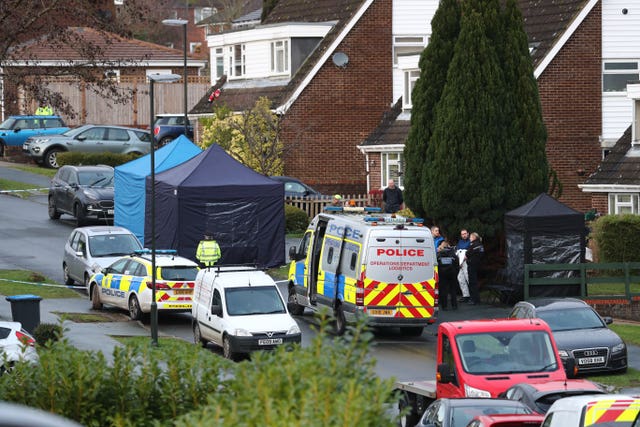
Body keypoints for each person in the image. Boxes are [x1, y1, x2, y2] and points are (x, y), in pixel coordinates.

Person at [437, 240, 459, 311]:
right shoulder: (453, 254)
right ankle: (454, 305)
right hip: (452, 274)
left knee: (443, 290)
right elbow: (457, 264)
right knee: (453, 290)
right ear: (448, 246)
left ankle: (444, 306)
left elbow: (436, 265)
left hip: (442, 274)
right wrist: (455, 272)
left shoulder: (439, 254)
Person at [466, 232, 484, 305]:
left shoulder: (473, 245)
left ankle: (473, 300)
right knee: (476, 282)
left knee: (472, 283)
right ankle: (477, 299)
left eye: (470, 237)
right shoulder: (480, 245)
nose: (469, 238)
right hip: (479, 266)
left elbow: (467, 253)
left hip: (472, 265)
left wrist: (468, 259)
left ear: (473, 237)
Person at [455, 229, 471, 303]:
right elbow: (458, 250)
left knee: (468, 278)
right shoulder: (460, 242)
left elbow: (470, 251)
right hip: (460, 261)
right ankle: (466, 295)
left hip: (467, 261)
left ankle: (472, 295)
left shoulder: (470, 241)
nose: (464, 235)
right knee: (460, 278)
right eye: (462, 234)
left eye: (465, 233)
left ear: (468, 233)